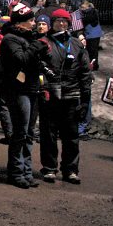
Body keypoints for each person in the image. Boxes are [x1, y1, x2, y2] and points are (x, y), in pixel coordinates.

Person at [38, 9, 92, 184]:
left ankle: (70, 170)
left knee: (71, 135)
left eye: (65, 21)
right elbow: (39, 67)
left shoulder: (76, 44)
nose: (61, 24)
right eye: (58, 21)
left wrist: (85, 100)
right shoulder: (44, 42)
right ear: (52, 23)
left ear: (69, 24)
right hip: (50, 95)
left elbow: (85, 73)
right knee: (49, 134)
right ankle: (49, 168)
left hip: (72, 94)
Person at [0, 3, 46, 189]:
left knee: (28, 133)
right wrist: (36, 47)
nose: (34, 24)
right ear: (21, 23)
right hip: (18, 90)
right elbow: (21, 60)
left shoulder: (29, 38)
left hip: (32, 88)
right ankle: (16, 172)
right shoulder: (10, 39)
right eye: (31, 20)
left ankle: (26, 171)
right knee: (20, 132)